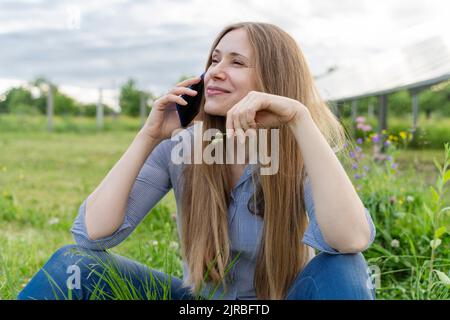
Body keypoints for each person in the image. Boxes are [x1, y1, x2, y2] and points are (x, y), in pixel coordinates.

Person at [18, 22, 376, 300]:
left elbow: (351, 239)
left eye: (237, 62)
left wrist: (299, 118)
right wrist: (148, 136)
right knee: (74, 264)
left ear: (273, 79)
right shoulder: (182, 146)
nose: (215, 72)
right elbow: (91, 236)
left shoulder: (302, 152)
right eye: (215, 59)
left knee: (345, 265)